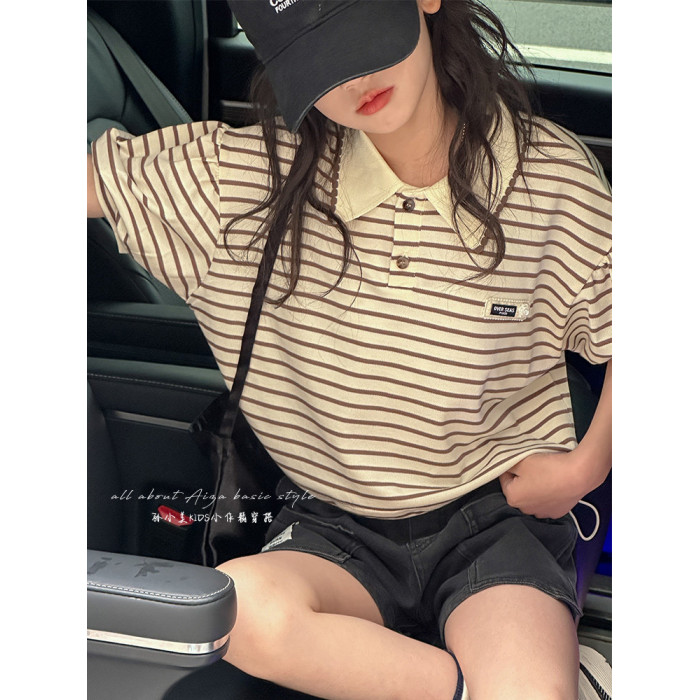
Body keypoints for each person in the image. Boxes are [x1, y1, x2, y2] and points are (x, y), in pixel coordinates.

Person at [87, 1, 612, 698]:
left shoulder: (549, 178)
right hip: (334, 526)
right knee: (235, 610)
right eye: (321, 63)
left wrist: (585, 466)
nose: (355, 79)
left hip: (494, 521)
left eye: (363, 39)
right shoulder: (243, 179)